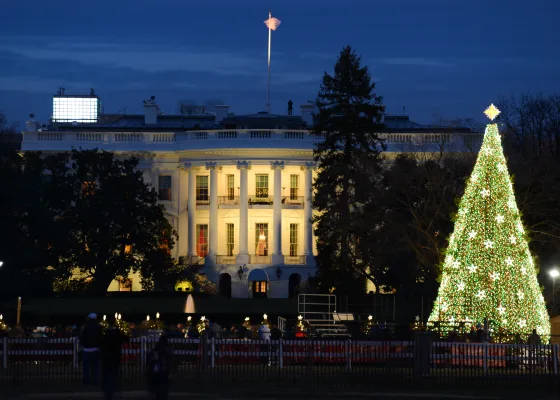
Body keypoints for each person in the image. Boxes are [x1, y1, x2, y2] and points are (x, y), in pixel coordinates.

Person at [100, 325, 128, 400]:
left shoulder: (105, 336)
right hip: (115, 357)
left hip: (106, 357)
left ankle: (107, 389)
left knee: (106, 373)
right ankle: (115, 386)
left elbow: (101, 343)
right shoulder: (118, 335)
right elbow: (126, 339)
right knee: (114, 372)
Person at [146, 335, 173, 400]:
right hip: (163, 370)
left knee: (158, 387)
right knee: (163, 388)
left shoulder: (156, 349)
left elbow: (150, 358)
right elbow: (169, 360)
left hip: (157, 370)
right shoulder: (166, 349)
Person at [80, 313, 103, 385]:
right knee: (95, 367)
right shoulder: (99, 327)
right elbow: (100, 338)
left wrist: (82, 345)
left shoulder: (86, 328)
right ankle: (96, 380)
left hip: (87, 349)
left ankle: (86, 381)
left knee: (86, 367)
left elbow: (82, 338)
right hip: (96, 349)